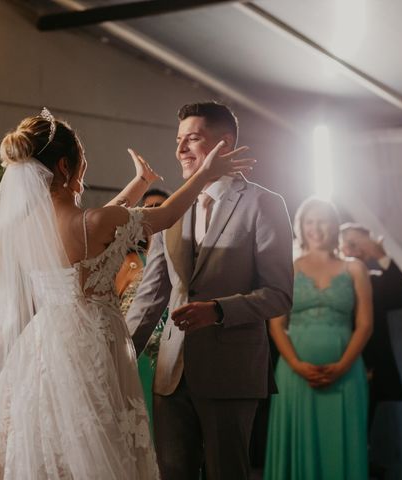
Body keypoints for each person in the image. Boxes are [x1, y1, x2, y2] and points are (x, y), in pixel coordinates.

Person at [0, 108, 254, 479]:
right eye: (82, 159)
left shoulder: (25, 229)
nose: (85, 166)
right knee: (95, 442)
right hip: (90, 344)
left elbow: (99, 227)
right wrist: (206, 173)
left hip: (45, 342)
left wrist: (139, 184)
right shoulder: (92, 223)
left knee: (47, 438)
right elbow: (165, 215)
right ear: (64, 166)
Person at [126, 101, 294, 480]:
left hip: (231, 370)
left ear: (226, 143)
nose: (181, 149)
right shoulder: (172, 208)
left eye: (193, 139)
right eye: (178, 140)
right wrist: (119, 356)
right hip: (171, 372)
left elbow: (279, 293)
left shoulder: (265, 204)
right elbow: (151, 296)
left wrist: (218, 310)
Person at [264, 198, 373, 480]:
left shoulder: (355, 269)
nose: (316, 228)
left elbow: (365, 325)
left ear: (335, 225)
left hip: (347, 375)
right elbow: (276, 324)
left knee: (343, 445)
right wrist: (297, 365)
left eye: (323, 220)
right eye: (309, 221)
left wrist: (342, 366)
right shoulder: (288, 268)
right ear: (300, 226)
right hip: (295, 374)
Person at [339, 223, 402, 425]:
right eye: (351, 244)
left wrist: (380, 255)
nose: (356, 251)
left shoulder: (374, 283)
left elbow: (401, 295)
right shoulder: (323, 281)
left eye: (362, 246)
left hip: (368, 371)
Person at [117, 187, 171, 428]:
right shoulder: (129, 262)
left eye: (160, 207)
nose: (153, 212)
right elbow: (111, 306)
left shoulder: (178, 259)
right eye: (147, 208)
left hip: (167, 357)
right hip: (136, 353)